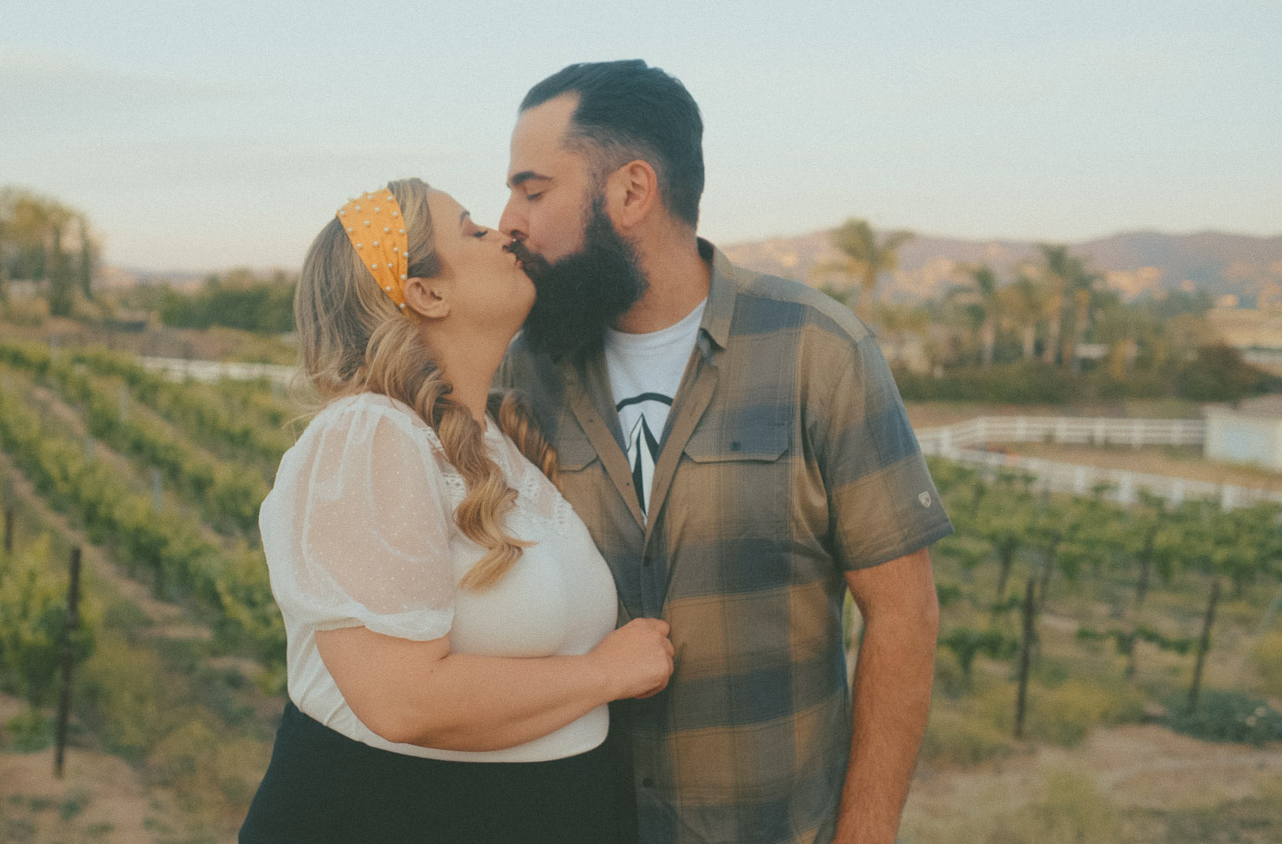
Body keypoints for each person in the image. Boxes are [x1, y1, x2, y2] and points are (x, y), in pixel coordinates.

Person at [495, 61, 953, 844]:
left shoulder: (819, 351)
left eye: (533, 191)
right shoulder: (518, 371)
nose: (509, 219)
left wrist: (866, 831)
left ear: (632, 192)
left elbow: (903, 613)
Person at [239, 177, 675, 844]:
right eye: (472, 230)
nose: (504, 233)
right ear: (425, 292)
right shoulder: (370, 434)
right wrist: (608, 673)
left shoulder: (497, 443)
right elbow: (402, 699)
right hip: (396, 816)